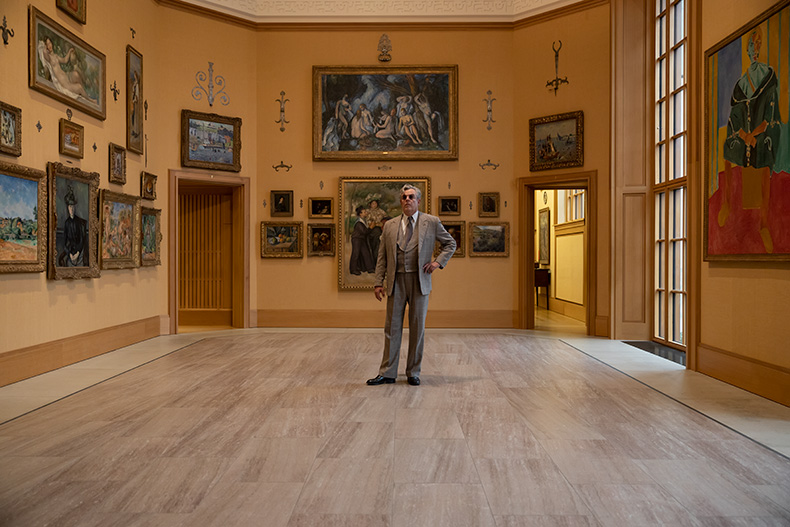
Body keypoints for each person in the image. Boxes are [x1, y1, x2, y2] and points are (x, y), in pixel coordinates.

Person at [367, 184, 456, 386]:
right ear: (401, 201)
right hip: (396, 281)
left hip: (419, 281)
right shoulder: (389, 225)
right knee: (392, 328)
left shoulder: (431, 222)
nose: (407, 200)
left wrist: (437, 262)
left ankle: (413, 372)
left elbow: (450, 243)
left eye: (411, 197)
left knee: (417, 328)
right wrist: (378, 282)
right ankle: (388, 372)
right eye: (404, 197)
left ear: (418, 200)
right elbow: (382, 256)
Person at [718, 26, 783, 253]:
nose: (754, 49)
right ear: (747, 50)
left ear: (761, 46)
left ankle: (764, 224)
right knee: (727, 148)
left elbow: (770, 115)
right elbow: (734, 117)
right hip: (742, 134)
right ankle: (726, 202)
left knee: (765, 153)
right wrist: (742, 135)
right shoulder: (740, 84)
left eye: (757, 44)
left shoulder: (768, 77)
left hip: (761, 133)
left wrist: (754, 135)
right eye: (751, 45)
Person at [62, 185, 87, 267]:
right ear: (67, 208)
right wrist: (69, 254)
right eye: (70, 206)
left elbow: (81, 240)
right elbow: (65, 243)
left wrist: (78, 253)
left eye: (72, 206)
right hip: (71, 252)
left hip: (79, 252)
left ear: (75, 207)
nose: (71, 209)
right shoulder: (67, 223)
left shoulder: (80, 222)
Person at [349, 206, 375, 275]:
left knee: (365, 253)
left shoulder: (363, 221)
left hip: (362, 239)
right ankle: (353, 269)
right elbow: (364, 232)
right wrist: (370, 228)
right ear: (360, 214)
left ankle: (370, 268)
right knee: (356, 254)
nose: (366, 213)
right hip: (356, 239)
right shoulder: (358, 222)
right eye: (364, 212)